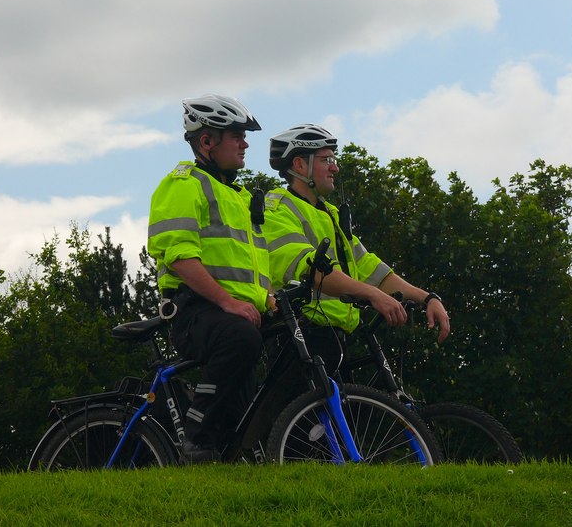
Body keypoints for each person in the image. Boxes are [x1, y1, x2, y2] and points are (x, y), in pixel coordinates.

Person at [262, 124, 450, 379]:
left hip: (335, 339)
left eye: (334, 159)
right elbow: (315, 272)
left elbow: (372, 271)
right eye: (326, 159)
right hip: (299, 339)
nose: (335, 167)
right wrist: (373, 295)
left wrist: (427, 298)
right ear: (299, 165)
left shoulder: (332, 215)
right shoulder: (278, 209)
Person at [147, 94, 271, 463]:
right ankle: (196, 435)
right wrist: (227, 301)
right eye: (236, 135)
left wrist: (270, 298)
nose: (245, 143)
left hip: (233, 310)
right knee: (241, 338)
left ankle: (237, 450)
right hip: (195, 310)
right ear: (206, 142)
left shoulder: (239, 196)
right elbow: (181, 257)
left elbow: (251, 265)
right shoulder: (184, 184)